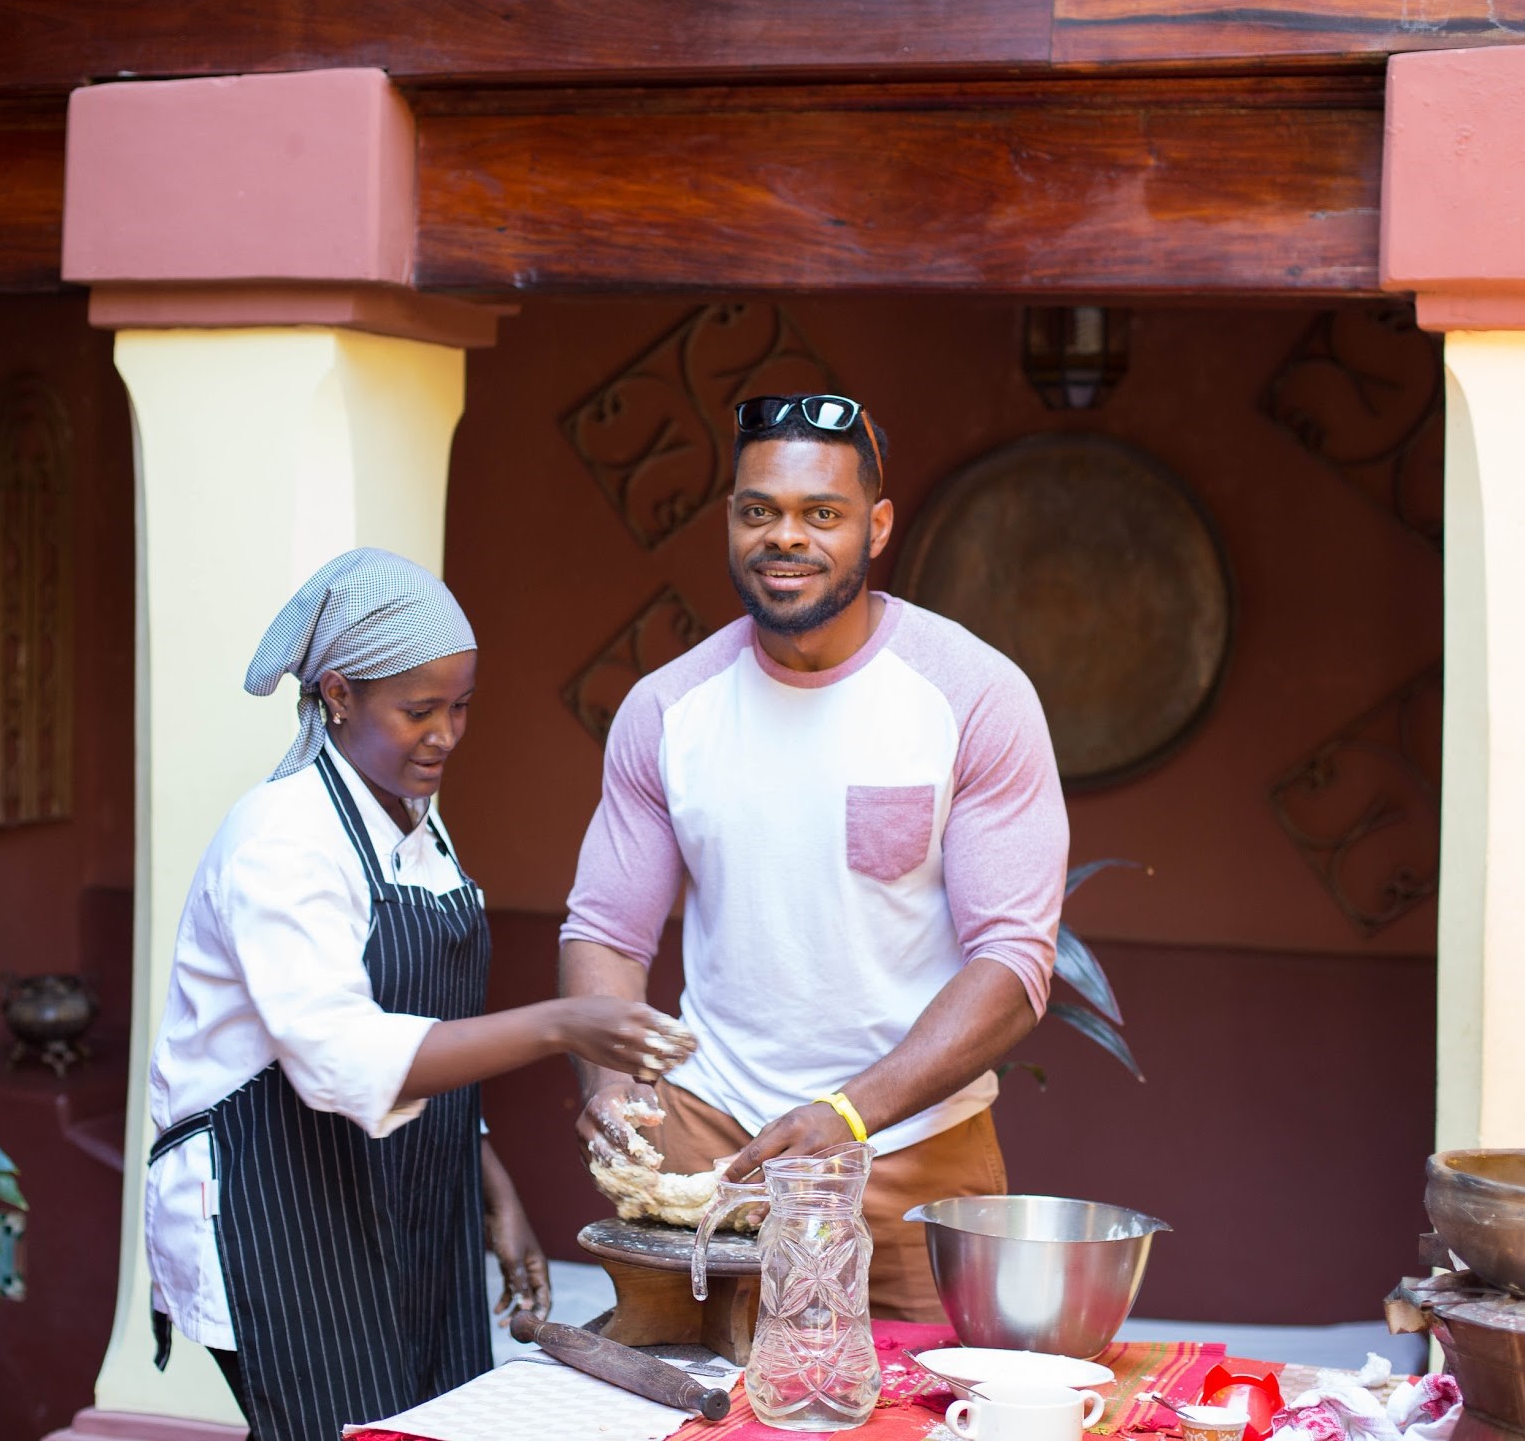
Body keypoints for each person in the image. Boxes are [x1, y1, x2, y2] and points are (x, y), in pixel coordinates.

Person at [147, 548, 693, 1441]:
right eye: (418, 711)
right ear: (337, 695)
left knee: (427, 1426)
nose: (445, 734)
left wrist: (490, 1188)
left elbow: (420, 1030)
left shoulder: (412, 822)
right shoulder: (282, 842)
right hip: (278, 1209)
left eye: (461, 706)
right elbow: (341, 1061)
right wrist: (565, 1021)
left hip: (405, 1197)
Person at [560, 395, 1069, 1321]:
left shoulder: (972, 695)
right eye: (759, 511)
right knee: (699, 1414)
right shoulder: (670, 711)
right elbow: (604, 931)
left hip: (912, 1149)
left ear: (876, 527)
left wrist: (845, 1118)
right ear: (731, 520)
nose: (784, 537)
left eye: (819, 514)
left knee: (929, 1415)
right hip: (708, 1143)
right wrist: (608, 1080)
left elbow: (1014, 962)